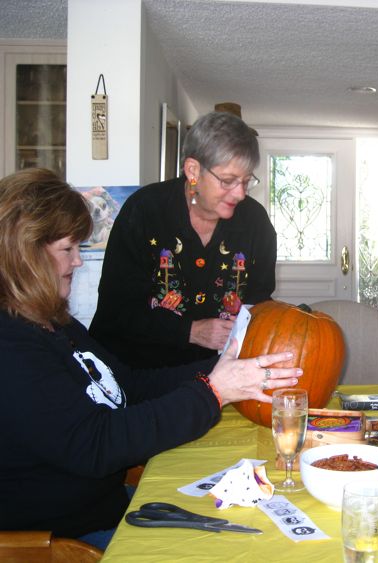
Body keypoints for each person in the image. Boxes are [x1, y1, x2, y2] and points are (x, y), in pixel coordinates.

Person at [0, 168, 301, 549]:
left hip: (111, 508)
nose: (77, 262)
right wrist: (213, 393)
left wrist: (221, 369)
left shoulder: (55, 324)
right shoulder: (10, 345)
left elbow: (130, 385)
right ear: (24, 254)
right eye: (67, 249)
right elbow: (97, 443)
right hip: (67, 540)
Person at [89, 111, 276, 368]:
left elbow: (259, 303)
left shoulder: (256, 223)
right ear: (193, 170)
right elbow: (117, 311)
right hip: (136, 374)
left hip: (215, 374)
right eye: (229, 181)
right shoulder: (144, 211)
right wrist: (190, 331)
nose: (241, 194)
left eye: (246, 181)